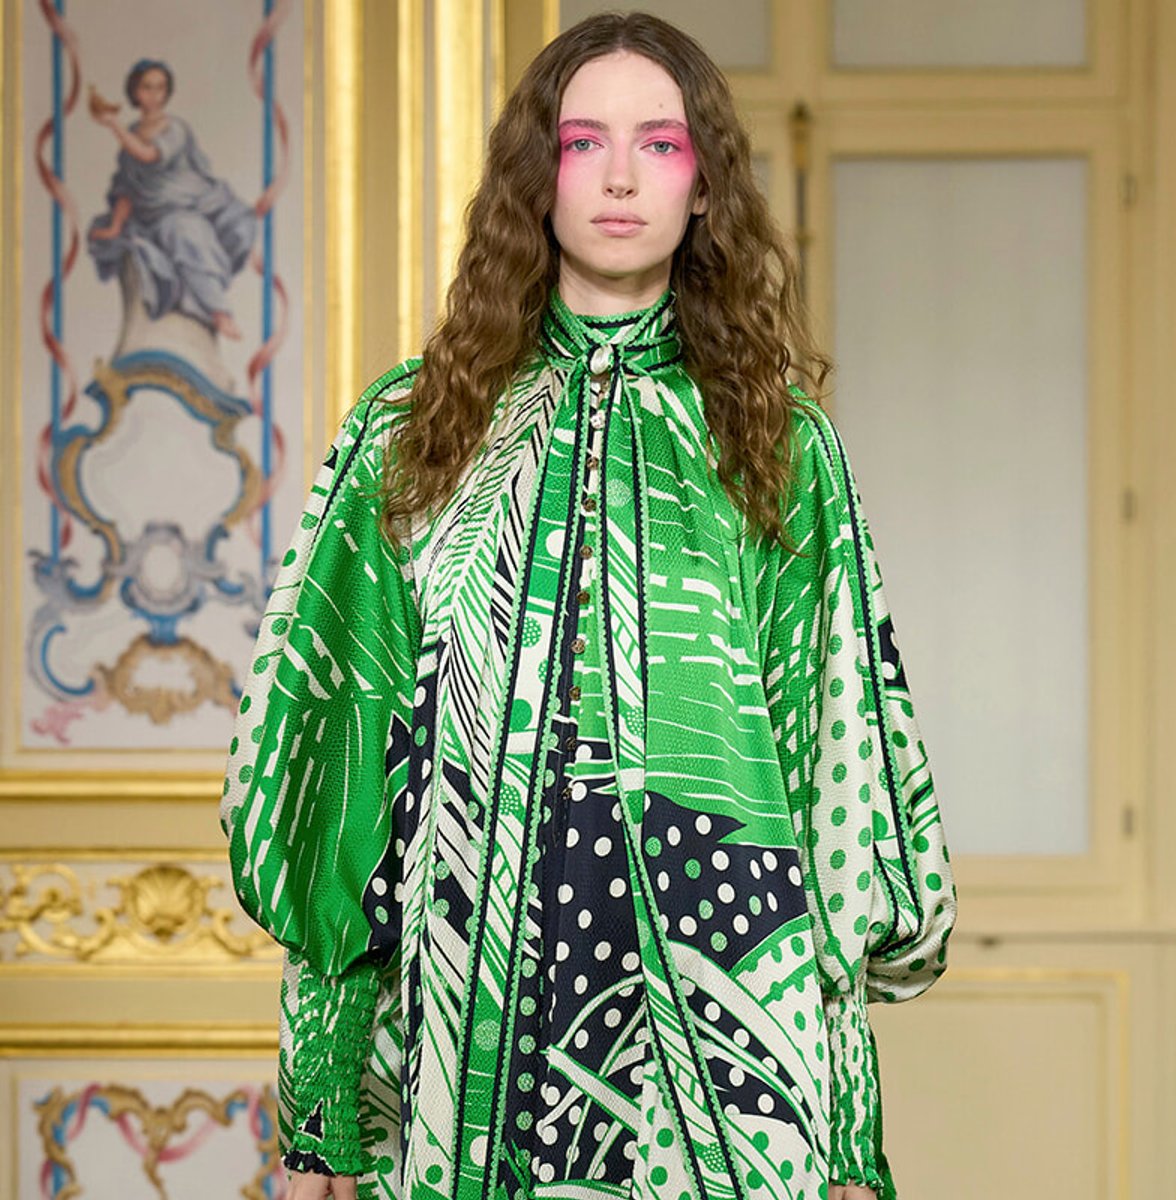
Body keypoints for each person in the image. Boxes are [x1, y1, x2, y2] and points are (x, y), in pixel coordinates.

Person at [221, 13, 956, 1200]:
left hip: (732, 1078)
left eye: (659, 144)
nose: (620, 176)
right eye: (583, 142)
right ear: (535, 174)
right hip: (465, 1056)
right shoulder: (414, 434)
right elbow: (341, 787)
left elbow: (840, 786)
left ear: (707, 181)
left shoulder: (780, 448)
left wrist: (850, 1141)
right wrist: (323, 1123)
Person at [89, 59, 255, 340]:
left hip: (187, 206)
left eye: (160, 88)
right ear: (135, 92)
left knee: (188, 232)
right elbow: (127, 188)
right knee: (170, 233)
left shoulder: (175, 129)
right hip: (152, 217)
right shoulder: (130, 135)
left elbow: (149, 155)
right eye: (147, 87)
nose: (154, 95)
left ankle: (220, 313)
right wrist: (116, 227)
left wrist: (112, 126)